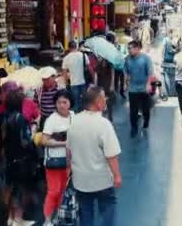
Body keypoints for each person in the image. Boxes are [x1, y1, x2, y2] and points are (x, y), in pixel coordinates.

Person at [67, 87, 122, 226]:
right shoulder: (104, 124)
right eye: (104, 98)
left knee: (85, 212)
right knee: (107, 209)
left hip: (80, 180)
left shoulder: (74, 122)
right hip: (102, 179)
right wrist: (116, 175)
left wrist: (69, 169)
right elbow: (111, 155)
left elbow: (69, 150)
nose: (106, 100)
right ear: (97, 102)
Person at [0, 91, 39, 226]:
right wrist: (34, 128)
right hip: (20, 159)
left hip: (6, 157)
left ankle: (10, 217)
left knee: (8, 187)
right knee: (19, 189)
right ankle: (18, 219)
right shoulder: (20, 119)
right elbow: (26, 142)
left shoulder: (1, 117)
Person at [41, 90, 74, 225]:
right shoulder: (51, 120)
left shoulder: (73, 115)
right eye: (59, 102)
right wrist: (64, 143)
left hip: (70, 161)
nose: (61, 105)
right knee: (53, 191)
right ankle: (47, 220)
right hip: (54, 161)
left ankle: (58, 217)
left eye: (64, 102)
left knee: (63, 191)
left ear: (70, 103)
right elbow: (44, 140)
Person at [124, 40, 154, 137]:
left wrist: (148, 84)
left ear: (137, 48)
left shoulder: (145, 59)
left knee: (146, 110)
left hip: (144, 88)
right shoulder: (127, 59)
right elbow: (127, 73)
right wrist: (125, 83)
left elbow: (150, 73)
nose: (129, 50)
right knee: (133, 110)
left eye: (130, 48)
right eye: (128, 48)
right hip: (133, 89)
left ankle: (146, 122)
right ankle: (134, 128)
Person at [62, 41, 88, 113]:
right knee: (84, 102)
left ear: (69, 48)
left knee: (75, 103)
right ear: (76, 46)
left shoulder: (66, 58)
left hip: (73, 83)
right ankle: (84, 117)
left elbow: (64, 73)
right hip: (84, 82)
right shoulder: (83, 55)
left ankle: (76, 119)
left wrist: (66, 83)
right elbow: (89, 68)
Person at [160, 30, 179, 100]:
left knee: (167, 77)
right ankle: (172, 93)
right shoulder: (170, 40)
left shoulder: (166, 40)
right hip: (171, 60)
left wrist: (162, 57)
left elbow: (163, 50)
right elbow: (171, 50)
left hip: (167, 60)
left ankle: (168, 93)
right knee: (172, 77)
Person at [96, 57, 116, 122]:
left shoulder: (110, 65)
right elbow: (96, 76)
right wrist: (95, 85)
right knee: (101, 102)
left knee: (109, 103)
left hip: (108, 86)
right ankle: (101, 119)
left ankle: (110, 118)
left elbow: (113, 75)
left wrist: (112, 85)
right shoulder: (98, 64)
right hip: (101, 86)